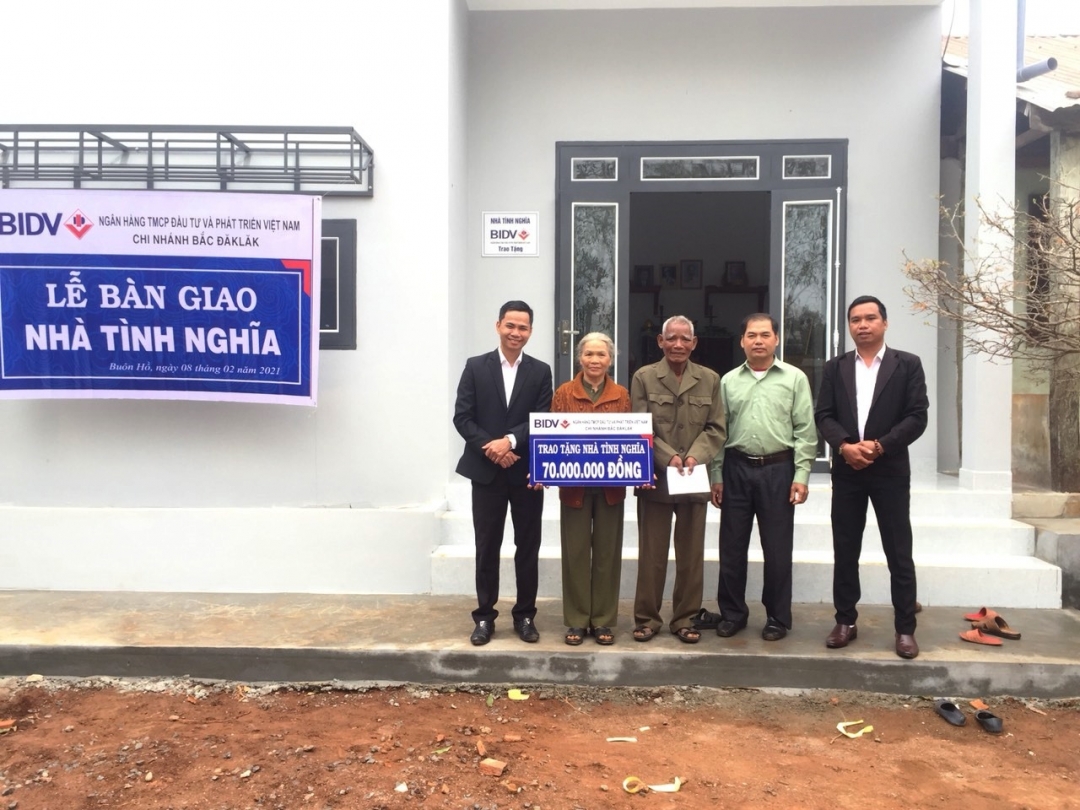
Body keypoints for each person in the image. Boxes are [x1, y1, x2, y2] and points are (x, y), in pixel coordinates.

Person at [814, 295, 928, 660]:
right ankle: (845, 621)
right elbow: (824, 415)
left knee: (899, 551)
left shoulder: (907, 364)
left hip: (889, 471)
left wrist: (880, 446)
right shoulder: (835, 368)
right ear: (849, 326)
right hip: (848, 471)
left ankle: (905, 628)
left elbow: (917, 417)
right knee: (846, 549)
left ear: (884, 323)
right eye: (855, 319)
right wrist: (844, 446)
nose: (862, 325)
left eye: (870, 318)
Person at [708, 313, 817, 641]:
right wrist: (716, 474)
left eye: (765, 335)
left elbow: (805, 430)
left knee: (778, 549)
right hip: (736, 469)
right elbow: (719, 432)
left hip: (778, 470)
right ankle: (733, 613)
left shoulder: (794, 379)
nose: (758, 341)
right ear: (742, 341)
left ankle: (777, 618)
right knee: (731, 547)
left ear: (776, 339)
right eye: (752, 335)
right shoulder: (728, 381)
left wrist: (802, 474)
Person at [453, 301, 553, 646]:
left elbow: (541, 418)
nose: (516, 333)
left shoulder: (541, 371)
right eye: (510, 325)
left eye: (523, 327)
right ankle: (484, 616)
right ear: (498, 326)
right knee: (487, 545)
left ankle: (525, 615)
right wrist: (492, 448)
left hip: (525, 471)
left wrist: (509, 441)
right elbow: (462, 417)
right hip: (486, 473)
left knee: (528, 545)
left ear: (530, 331)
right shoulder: (475, 367)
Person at [630, 315, 726, 644]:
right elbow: (639, 425)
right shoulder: (644, 377)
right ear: (660, 341)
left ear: (694, 343)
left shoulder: (710, 379)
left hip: (693, 477)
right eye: (671, 338)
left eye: (685, 339)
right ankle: (647, 618)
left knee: (691, 556)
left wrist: (695, 456)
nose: (678, 344)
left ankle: (685, 618)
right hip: (656, 477)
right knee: (652, 555)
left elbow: (716, 428)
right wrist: (666, 456)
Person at [551, 333, 631, 646]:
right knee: (575, 553)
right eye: (589, 354)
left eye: (601, 355)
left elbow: (632, 438)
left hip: (611, 487)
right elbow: (551, 437)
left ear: (610, 360)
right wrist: (543, 468)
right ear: (580, 358)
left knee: (607, 554)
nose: (595, 360)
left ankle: (603, 620)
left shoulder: (621, 395)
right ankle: (576, 619)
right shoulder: (563, 393)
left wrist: (640, 468)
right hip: (574, 486)